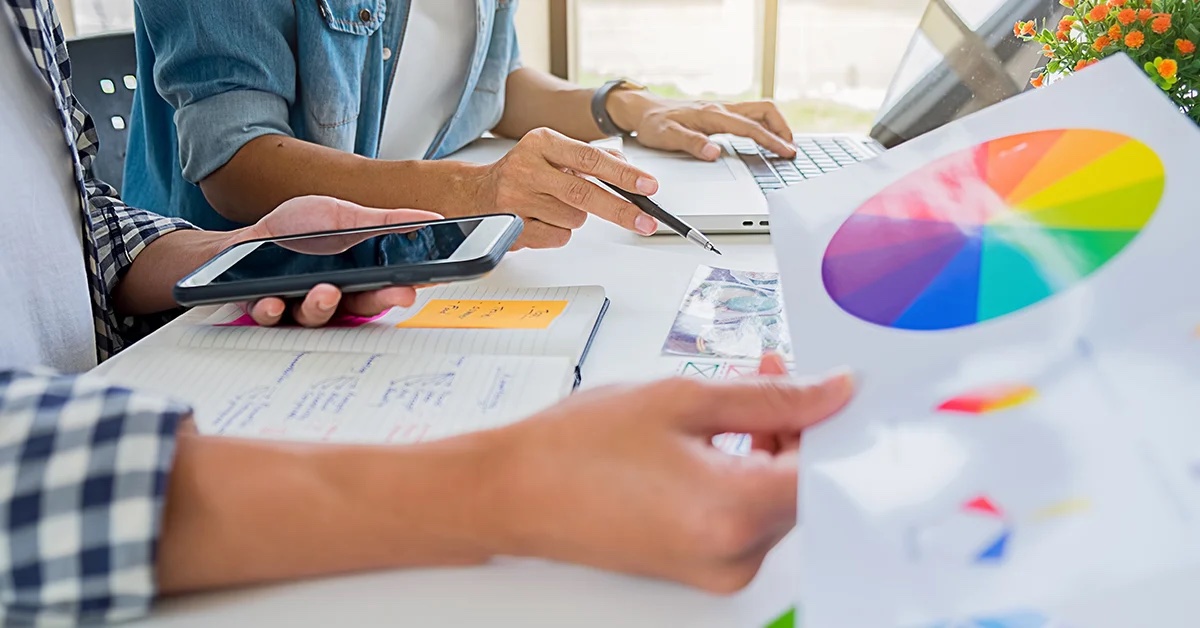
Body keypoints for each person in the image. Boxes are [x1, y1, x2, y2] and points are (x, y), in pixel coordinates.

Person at [0, 1, 854, 624]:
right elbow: (235, 151)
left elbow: (83, 225)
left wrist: (626, 105)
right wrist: (512, 485)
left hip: (231, 332)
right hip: (175, 390)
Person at [125, 0, 800, 251]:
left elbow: (488, 84)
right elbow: (237, 166)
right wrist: (475, 191)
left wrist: (626, 106)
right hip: (236, 297)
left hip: (400, 264)